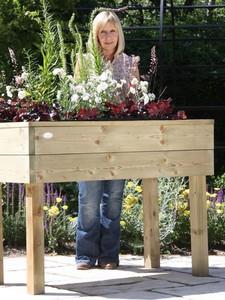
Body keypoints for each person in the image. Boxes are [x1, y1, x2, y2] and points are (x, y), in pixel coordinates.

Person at [75, 10, 140, 270]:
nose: (108, 36)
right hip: (90, 140)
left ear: (119, 34)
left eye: (112, 31)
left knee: (113, 198)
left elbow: (135, 103)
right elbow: (76, 99)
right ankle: (85, 255)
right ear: (96, 35)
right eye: (103, 31)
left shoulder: (130, 62)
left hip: (119, 141)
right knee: (88, 198)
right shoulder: (85, 61)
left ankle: (110, 256)